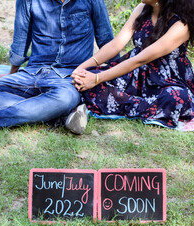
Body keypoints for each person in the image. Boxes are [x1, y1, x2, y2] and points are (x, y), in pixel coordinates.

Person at [0, 0, 117, 133]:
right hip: (33, 72)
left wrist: (116, 79)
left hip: (69, 78)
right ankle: (55, 115)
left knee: (64, 99)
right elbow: (20, 39)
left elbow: (106, 41)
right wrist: (12, 74)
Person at [71, 0, 194, 131]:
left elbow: (140, 59)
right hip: (136, 75)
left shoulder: (181, 24)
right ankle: (147, 107)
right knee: (86, 80)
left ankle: (131, 105)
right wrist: (81, 69)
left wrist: (96, 79)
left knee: (175, 97)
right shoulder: (142, 9)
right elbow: (115, 45)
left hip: (167, 81)